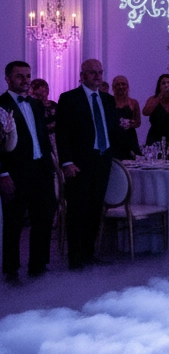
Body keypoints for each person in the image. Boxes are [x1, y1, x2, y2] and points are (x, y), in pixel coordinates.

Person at [56, 58, 118, 270]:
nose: (98, 76)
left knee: (95, 209)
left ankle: (90, 253)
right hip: (79, 163)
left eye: (100, 72)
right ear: (82, 75)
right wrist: (67, 161)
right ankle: (76, 258)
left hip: (102, 160)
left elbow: (113, 130)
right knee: (77, 210)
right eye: (92, 72)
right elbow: (62, 133)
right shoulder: (69, 98)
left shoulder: (108, 100)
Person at [0, 61, 55, 282]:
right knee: (13, 222)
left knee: (43, 219)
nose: (25, 80)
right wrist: (2, 173)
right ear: (8, 79)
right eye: (20, 76)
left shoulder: (35, 104)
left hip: (40, 170)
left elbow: (42, 137)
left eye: (28, 75)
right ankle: (11, 269)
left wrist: (50, 167)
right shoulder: (1, 105)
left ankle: (38, 265)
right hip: (14, 173)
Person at [111, 75, 142, 159]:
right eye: (118, 84)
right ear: (113, 87)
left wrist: (131, 123)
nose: (121, 87)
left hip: (129, 138)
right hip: (114, 137)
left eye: (123, 84)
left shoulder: (133, 102)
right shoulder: (109, 101)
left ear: (127, 86)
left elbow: (138, 122)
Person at [29, 78, 57, 154]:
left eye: (45, 90)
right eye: (39, 90)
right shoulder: (33, 107)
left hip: (57, 138)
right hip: (42, 139)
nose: (43, 93)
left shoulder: (54, 104)